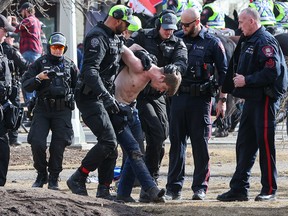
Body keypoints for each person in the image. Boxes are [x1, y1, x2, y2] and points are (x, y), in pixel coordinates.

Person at [66, 5, 147, 199]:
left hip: (105, 97)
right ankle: (78, 177)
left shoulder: (115, 37)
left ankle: (103, 188)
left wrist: (142, 55)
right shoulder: (97, 37)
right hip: (90, 97)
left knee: (111, 146)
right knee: (108, 141)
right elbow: (90, 71)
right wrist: (106, 97)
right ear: (117, 19)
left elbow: (120, 57)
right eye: (126, 23)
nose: (126, 28)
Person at [217, 7, 287, 202]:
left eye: (241, 22)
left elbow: (272, 72)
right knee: (244, 145)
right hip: (251, 100)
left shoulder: (265, 41)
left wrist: (246, 80)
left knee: (265, 145)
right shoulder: (249, 40)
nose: (238, 26)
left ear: (252, 22)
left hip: (264, 100)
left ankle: (269, 189)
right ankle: (239, 188)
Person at [166, 7, 227, 201]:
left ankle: (200, 187)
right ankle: (173, 188)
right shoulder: (176, 39)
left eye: (187, 24)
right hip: (178, 97)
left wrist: (222, 100)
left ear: (197, 21)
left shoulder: (212, 42)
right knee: (176, 144)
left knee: (200, 145)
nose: (183, 28)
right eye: (181, 24)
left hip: (201, 100)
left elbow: (223, 72)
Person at [126, 10, 187, 193]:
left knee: (160, 135)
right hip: (136, 92)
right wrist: (141, 55)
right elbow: (124, 49)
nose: (168, 32)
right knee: (139, 136)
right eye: (166, 28)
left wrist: (175, 67)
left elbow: (183, 62)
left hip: (157, 94)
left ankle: (150, 176)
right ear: (158, 25)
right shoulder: (143, 36)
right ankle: (139, 179)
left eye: (172, 29)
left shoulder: (178, 42)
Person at [113, 44, 181, 203]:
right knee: (130, 150)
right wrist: (141, 52)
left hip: (131, 109)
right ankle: (151, 189)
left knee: (137, 152)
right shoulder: (139, 65)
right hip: (115, 109)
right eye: (163, 88)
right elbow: (122, 45)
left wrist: (143, 52)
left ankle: (123, 193)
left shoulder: (151, 71)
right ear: (162, 78)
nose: (159, 91)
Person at [21, 32, 79, 190]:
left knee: (58, 145)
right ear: (49, 48)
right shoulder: (39, 63)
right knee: (37, 142)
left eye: (60, 47)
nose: (57, 50)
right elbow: (26, 84)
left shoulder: (70, 65)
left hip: (62, 110)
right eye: (54, 47)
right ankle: (41, 175)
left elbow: (78, 86)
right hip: (42, 109)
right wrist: (39, 78)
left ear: (64, 48)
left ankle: (54, 177)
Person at [10, 2, 43, 122]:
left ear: (26, 10)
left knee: (27, 81)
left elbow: (15, 30)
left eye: (22, 11)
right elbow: (20, 27)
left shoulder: (28, 20)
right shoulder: (36, 21)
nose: (21, 13)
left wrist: (8, 22)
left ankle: (31, 110)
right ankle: (34, 111)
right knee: (34, 81)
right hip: (36, 53)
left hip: (29, 52)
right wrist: (16, 23)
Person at [3, 32, 29, 146]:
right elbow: (25, 65)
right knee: (14, 110)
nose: (13, 39)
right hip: (12, 86)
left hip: (4, 87)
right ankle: (13, 138)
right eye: (11, 37)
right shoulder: (12, 51)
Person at [0, 14, 16, 186]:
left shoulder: (2, 49)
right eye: (5, 31)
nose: (7, 35)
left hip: (2, 105)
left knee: (3, 145)